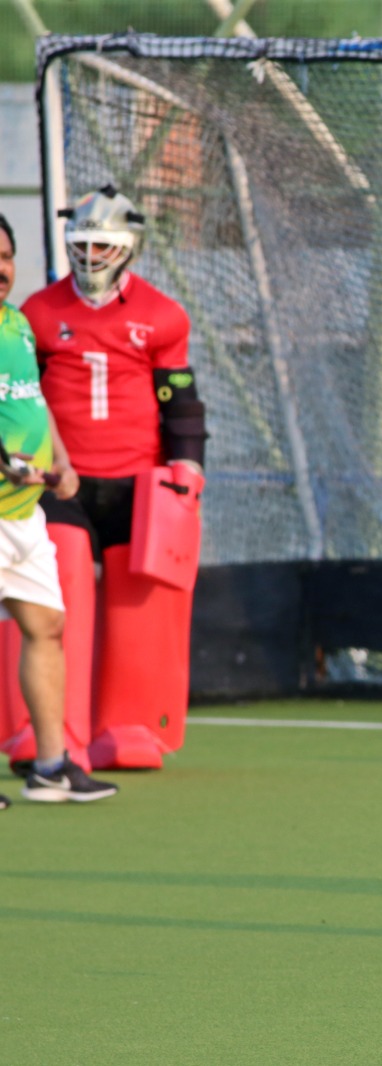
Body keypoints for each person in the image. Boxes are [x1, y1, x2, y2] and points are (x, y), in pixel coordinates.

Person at [20, 184, 207, 772]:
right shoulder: (38, 312)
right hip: (59, 484)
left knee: (137, 610)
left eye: (103, 245)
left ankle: (128, 726)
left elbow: (179, 398)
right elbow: (21, 398)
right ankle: (48, 729)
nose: (91, 256)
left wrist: (187, 464)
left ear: (130, 247)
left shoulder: (163, 314)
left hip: (139, 486)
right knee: (57, 597)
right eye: (82, 244)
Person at [0, 211, 116, 803]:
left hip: (23, 514)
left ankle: (50, 768)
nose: (0, 270)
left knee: (46, 626)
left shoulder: (18, 324)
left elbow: (34, 401)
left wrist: (63, 461)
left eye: (5, 257)